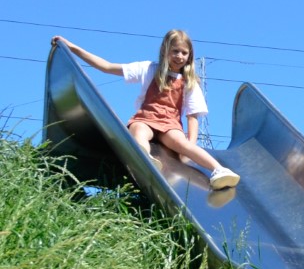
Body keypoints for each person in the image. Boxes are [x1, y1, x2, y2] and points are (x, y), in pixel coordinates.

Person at [52, 31, 240, 191]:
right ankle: (146, 156)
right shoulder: (149, 69)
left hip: (170, 124)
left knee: (181, 143)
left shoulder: (189, 83)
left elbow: (193, 117)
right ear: (165, 51)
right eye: (175, 51)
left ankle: (219, 170)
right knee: (138, 130)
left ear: (189, 56)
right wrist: (72, 48)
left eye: (184, 52)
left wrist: (189, 146)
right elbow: (107, 67)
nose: (179, 56)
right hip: (146, 117)